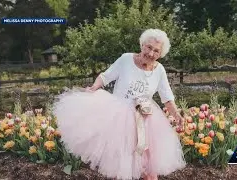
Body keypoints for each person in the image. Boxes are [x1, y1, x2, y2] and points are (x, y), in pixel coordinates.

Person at [53, 28, 186, 180]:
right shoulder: (126, 59)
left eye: (156, 51)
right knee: (122, 165)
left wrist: (176, 115)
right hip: (120, 118)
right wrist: (94, 88)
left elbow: (167, 97)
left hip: (146, 120)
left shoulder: (159, 70)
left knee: (149, 168)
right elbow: (105, 76)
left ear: (160, 54)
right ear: (142, 44)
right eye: (149, 47)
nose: (151, 53)